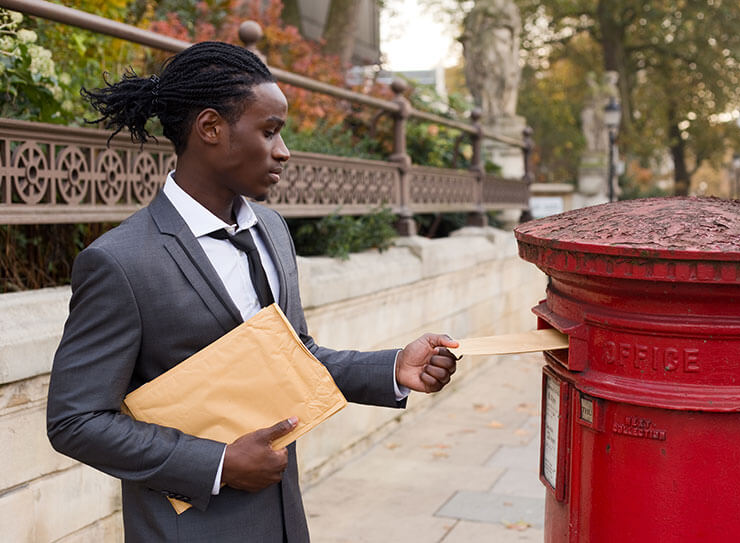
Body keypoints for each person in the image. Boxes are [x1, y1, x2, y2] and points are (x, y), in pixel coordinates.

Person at [46, 41, 459, 542]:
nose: (283, 151)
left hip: (282, 520)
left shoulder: (271, 229)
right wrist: (217, 464)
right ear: (211, 128)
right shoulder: (120, 262)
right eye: (269, 131)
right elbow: (76, 420)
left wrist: (392, 368)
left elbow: (292, 356)